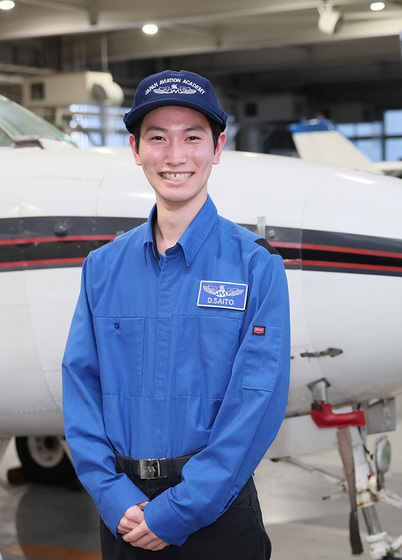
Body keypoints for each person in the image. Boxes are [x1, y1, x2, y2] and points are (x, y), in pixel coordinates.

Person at [61, 69, 290, 559]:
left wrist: (182, 509)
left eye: (192, 137)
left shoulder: (255, 265)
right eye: (157, 138)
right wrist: (110, 492)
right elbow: (80, 387)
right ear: (135, 149)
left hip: (219, 516)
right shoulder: (102, 268)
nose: (175, 155)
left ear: (218, 146)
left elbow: (258, 398)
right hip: (125, 517)